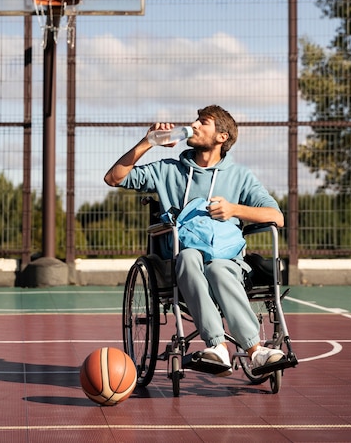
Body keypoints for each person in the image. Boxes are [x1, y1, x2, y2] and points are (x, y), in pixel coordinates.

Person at [104, 105, 285, 376]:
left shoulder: (240, 176)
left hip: (227, 260)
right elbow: (113, 178)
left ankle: (255, 351)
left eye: (203, 122)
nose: (194, 125)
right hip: (182, 257)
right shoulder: (169, 170)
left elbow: (276, 217)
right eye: (195, 121)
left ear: (222, 137)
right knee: (189, 257)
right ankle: (218, 347)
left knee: (219, 268)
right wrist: (147, 142)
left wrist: (234, 210)